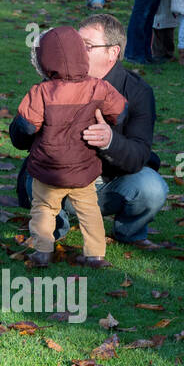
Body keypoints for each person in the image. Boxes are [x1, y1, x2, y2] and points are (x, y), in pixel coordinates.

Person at [12, 14, 169, 247]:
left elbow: (138, 154)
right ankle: (53, 231)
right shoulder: (54, 82)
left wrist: (109, 140)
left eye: (86, 46)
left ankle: (130, 233)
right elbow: (18, 138)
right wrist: (29, 122)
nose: (76, 51)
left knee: (152, 187)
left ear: (112, 53)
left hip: (109, 182)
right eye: (76, 44)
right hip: (56, 178)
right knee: (34, 176)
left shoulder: (137, 92)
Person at [15, 26, 127, 268]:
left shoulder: (41, 92)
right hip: (83, 167)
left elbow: (25, 126)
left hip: (48, 167)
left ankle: (43, 251)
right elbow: (121, 110)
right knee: (89, 211)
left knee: (43, 207)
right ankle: (95, 254)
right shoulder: (99, 87)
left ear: (44, 59)